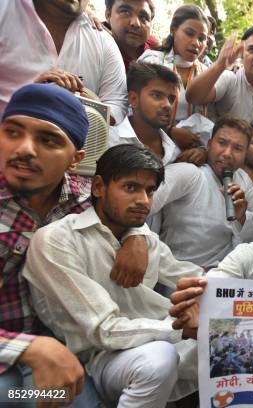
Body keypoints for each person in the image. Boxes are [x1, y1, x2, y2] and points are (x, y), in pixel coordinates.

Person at [23, 144, 203, 407]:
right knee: (158, 360)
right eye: (131, 187)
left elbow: (195, 277)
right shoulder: (57, 240)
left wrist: (213, 300)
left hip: (146, 340)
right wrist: (180, 328)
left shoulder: (144, 238)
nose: (144, 200)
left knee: (237, 344)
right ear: (98, 187)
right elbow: (103, 330)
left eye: (150, 191)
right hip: (95, 359)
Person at [0, 84, 145, 406]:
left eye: (48, 140)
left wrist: (137, 236)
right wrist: (29, 348)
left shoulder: (84, 199)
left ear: (75, 159)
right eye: (12, 132)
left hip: (68, 349)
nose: (24, 149)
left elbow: (127, 210)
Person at [149, 116, 253, 269]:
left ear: (245, 154)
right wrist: (136, 238)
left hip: (225, 276)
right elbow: (144, 203)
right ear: (209, 144)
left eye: (238, 148)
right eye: (222, 143)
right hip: (180, 275)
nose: (227, 153)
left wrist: (243, 217)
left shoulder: (241, 177)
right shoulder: (189, 172)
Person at [0, 0, 128, 123]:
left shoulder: (103, 41)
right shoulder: (5, 11)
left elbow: (117, 103)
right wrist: (31, 93)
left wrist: (85, 106)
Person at [138, 5, 210, 164]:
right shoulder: (152, 61)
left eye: (202, 38)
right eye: (189, 33)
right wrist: (170, 132)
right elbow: (134, 110)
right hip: (149, 151)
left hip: (191, 159)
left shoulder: (207, 74)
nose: (196, 43)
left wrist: (203, 151)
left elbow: (212, 122)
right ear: (173, 29)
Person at [186, 25, 253, 126]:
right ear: (242, 55)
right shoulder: (229, 79)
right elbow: (193, 97)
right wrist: (220, 65)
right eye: (252, 50)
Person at [110, 62, 182, 165]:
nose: (168, 105)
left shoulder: (176, 151)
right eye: (157, 95)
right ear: (133, 99)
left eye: (171, 99)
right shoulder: (109, 141)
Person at [104, 0, 158, 70]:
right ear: (108, 15)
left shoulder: (157, 50)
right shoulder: (97, 50)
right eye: (126, 12)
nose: (135, 23)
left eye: (143, 17)